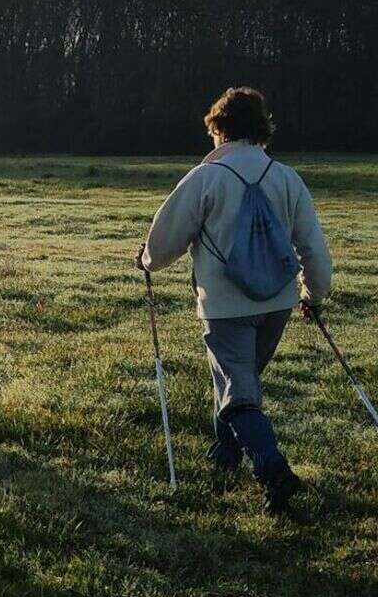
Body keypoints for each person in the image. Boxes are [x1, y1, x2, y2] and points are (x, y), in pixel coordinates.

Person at [135, 86, 332, 514]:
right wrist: (313, 294)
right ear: (262, 129)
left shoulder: (206, 177)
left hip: (224, 306)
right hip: (277, 303)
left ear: (218, 129)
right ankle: (225, 456)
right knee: (238, 380)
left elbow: (165, 238)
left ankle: (273, 470)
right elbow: (313, 247)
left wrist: (148, 260)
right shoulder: (285, 177)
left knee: (237, 389)